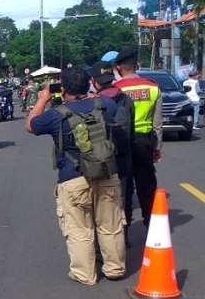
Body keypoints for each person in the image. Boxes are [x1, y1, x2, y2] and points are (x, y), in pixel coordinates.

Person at [25, 66, 126, 285]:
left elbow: (30, 125)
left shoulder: (55, 115)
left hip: (73, 178)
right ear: (89, 83)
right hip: (107, 173)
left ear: (62, 88)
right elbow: (102, 101)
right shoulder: (105, 105)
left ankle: (85, 274)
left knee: (79, 228)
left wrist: (43, 99)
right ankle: (115, 268)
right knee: (110, 224)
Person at [113, 48, 162, 232]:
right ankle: (152, 226)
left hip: (122, 143)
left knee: (124, 188)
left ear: (119, 68)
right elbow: (158, 124)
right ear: (136, 66)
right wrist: (157, 148)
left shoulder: (116, 90)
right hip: (145, 142)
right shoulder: (152, 87)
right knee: (147, 186)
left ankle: (123, 232)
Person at [90, 61, 135, 248]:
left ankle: (101, 245)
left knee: (100, 204)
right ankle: (123, 236)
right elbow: (130, 132)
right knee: (124, 199)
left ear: (94, 81)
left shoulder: (92, 104)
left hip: (101, 163)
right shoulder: (126, 100)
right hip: (124, 160)